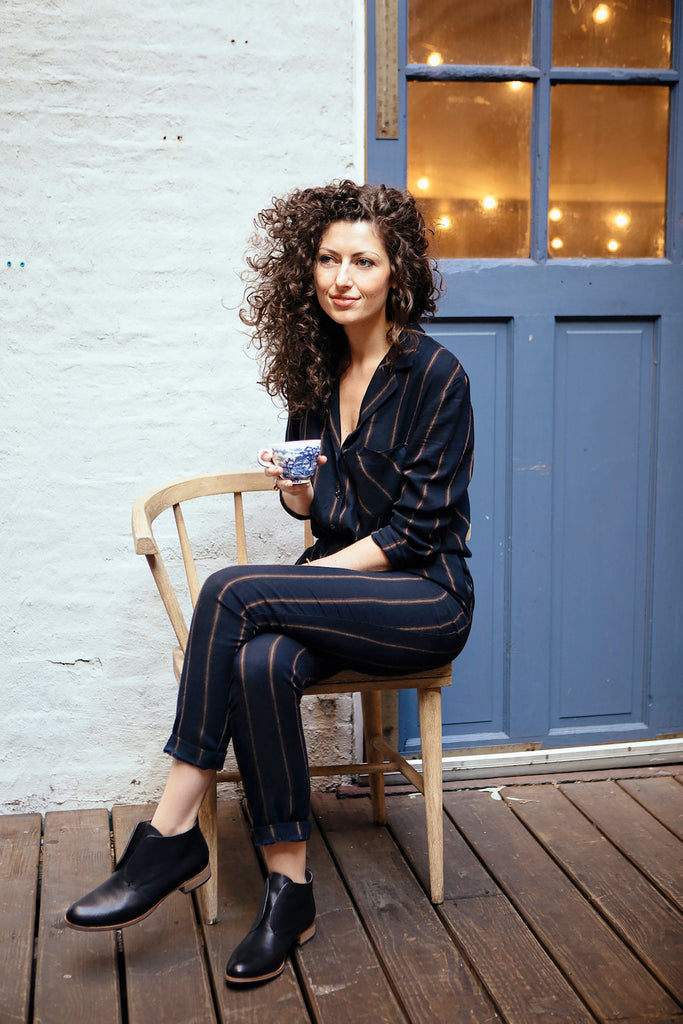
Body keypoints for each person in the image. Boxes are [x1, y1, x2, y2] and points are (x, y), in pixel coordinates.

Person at [65, 180, 474, 986]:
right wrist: (296, 490)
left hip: (423, 596)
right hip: (345, 588)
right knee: (257, 663)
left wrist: (304, 579)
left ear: (398, 271)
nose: (342, 277)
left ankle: (168, 833)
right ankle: (289, 889)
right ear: (306, 269)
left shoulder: (435, 374)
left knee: (232, 589)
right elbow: (320, 504)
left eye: (363, 259)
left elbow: (411, 534)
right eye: (327, 258)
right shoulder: (312, 372)